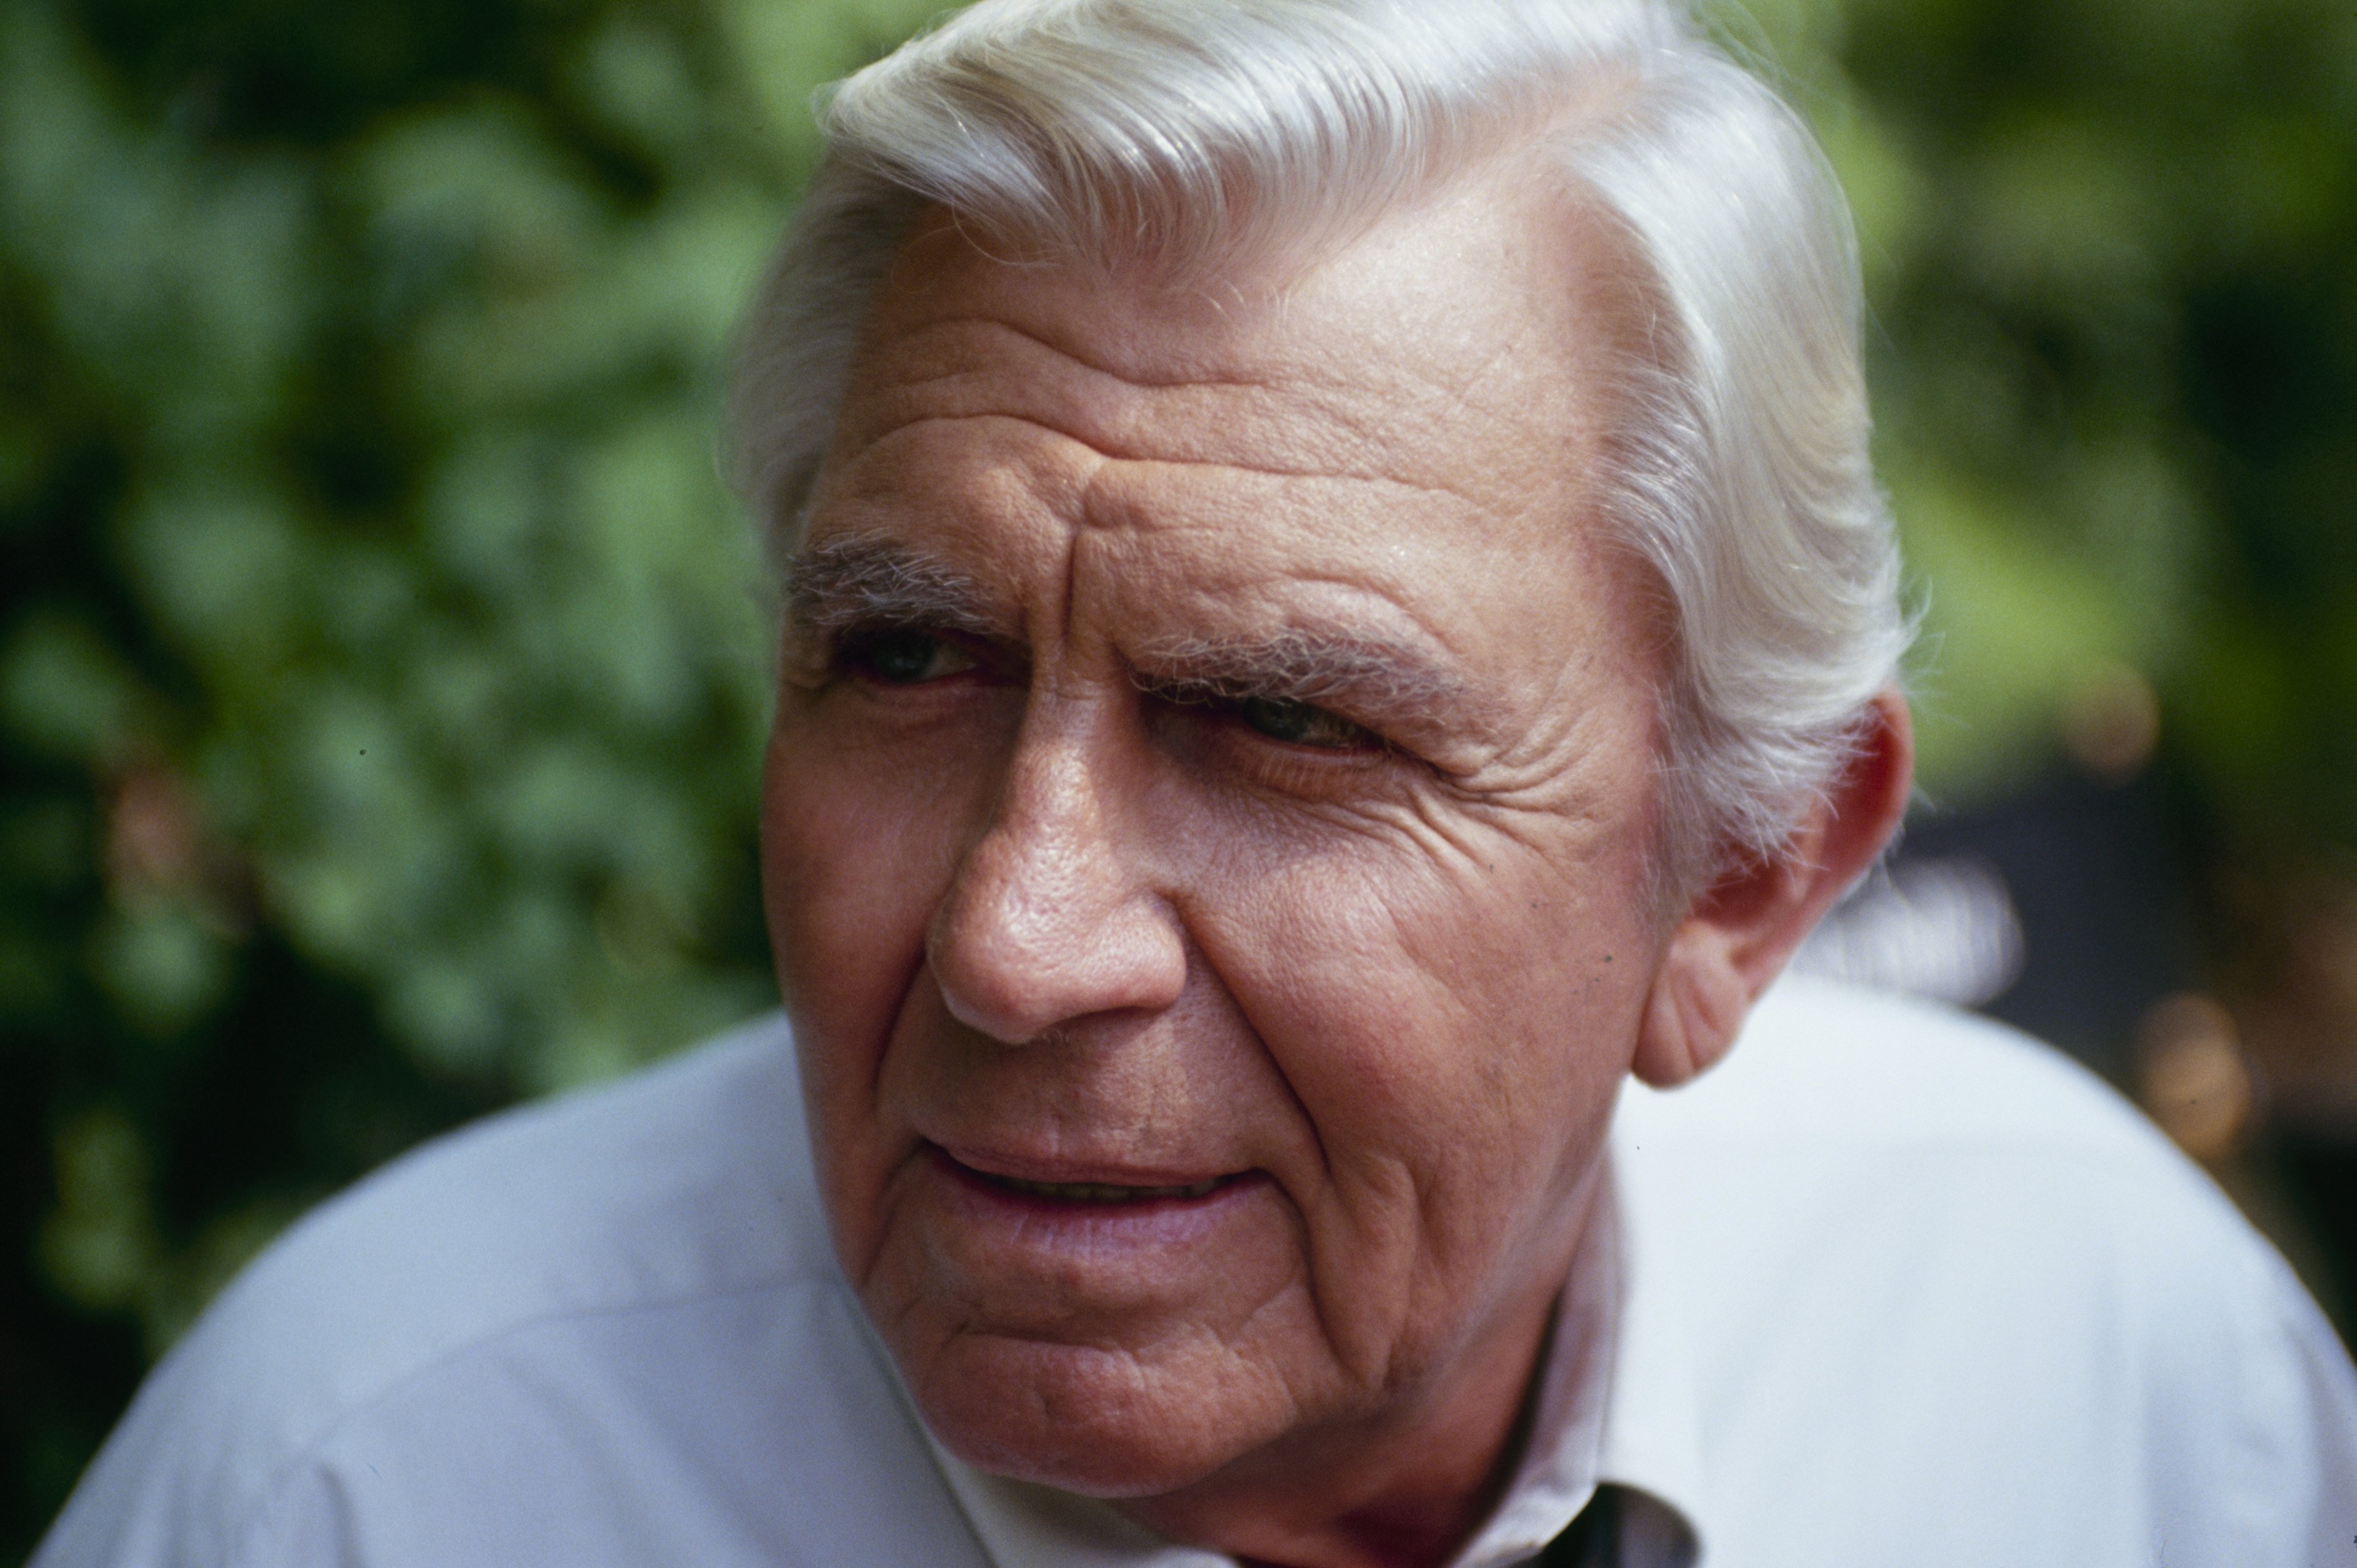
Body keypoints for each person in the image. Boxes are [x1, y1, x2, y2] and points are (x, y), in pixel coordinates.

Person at [33, 1, 2357, 1564]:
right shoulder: (374, 1489)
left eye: (1293, 726)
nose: (1012, 940)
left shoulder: (2104, 1369)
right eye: (908, 654)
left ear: (1743, 878)